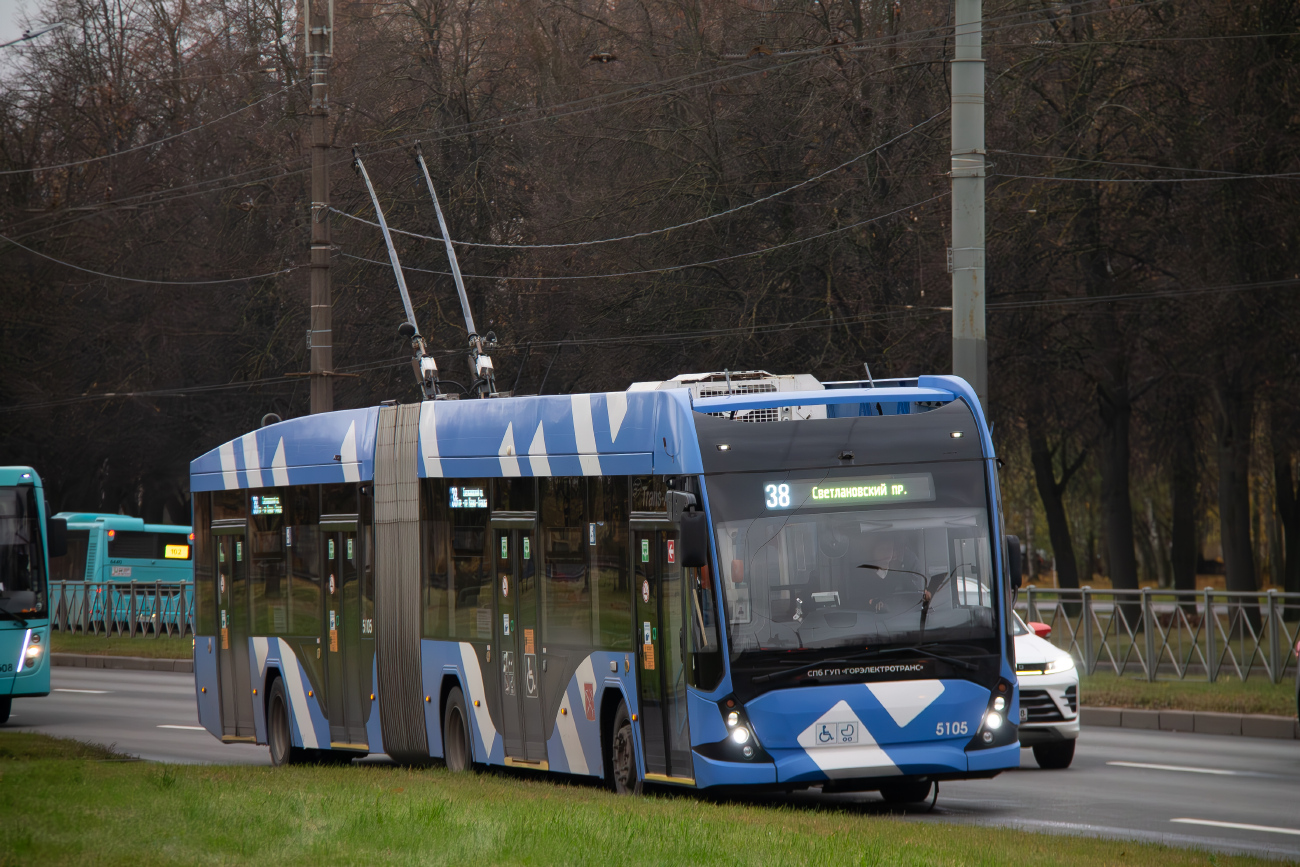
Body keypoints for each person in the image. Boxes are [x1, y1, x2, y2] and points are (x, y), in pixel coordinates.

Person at [856, 535, 930, 613]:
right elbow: (860, 603)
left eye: (889, 549)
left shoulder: (900, 574)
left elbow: (915, 599)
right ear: (873, 551)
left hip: (898, 616)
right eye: (881, 549)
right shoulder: (862, 577)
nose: (885, 553)